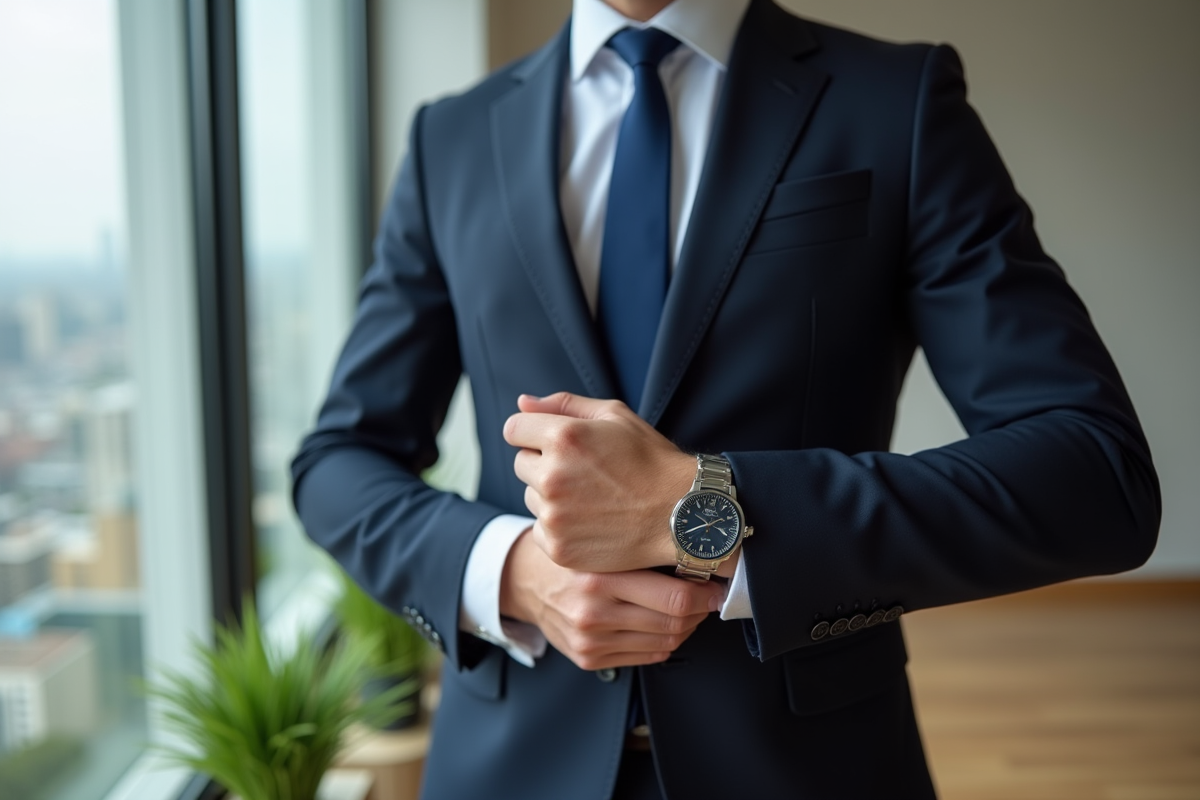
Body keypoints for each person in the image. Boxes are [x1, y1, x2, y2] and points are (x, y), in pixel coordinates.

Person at [291, 0, 1160, 797]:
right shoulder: (453, 137)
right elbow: (338, 462)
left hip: (809, 765)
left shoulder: (899, 101)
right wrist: (510, 571)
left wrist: (702, 506)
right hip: (507, 765)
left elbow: (1093, 474)